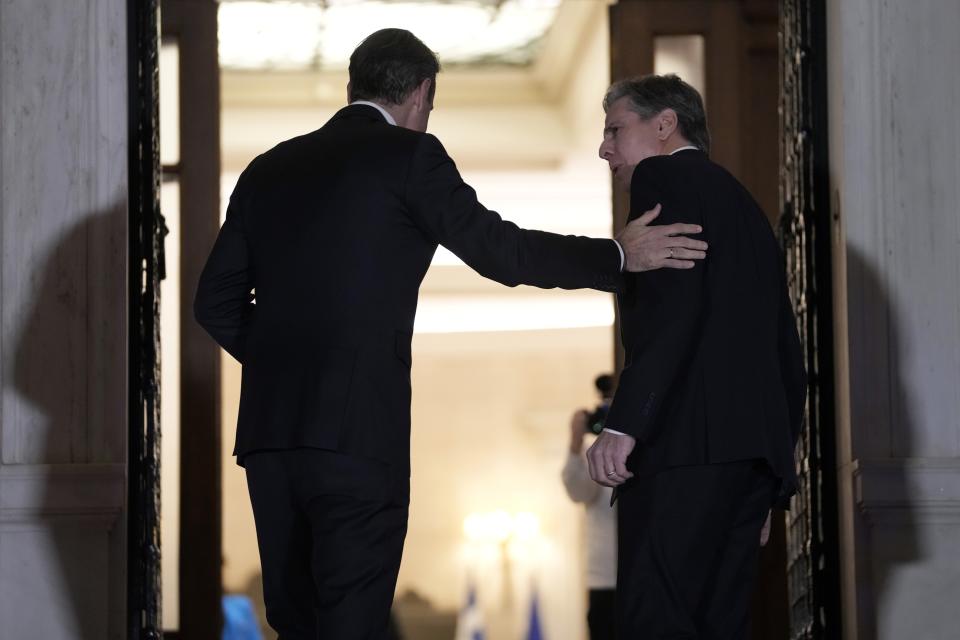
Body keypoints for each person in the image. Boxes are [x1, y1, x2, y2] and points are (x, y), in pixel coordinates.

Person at [194, 30, 708, 639]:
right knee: (351, 621)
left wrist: (286, 365)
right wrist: (616, 256)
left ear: (352, 87)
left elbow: (215, 303)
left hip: (270, 439)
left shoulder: (268, 168)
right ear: (421, 93)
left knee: (294, 622)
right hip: (358, 433)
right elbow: (503, 253)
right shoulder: (410, 156)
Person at [585, 74, 807, 639]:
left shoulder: (664, 175)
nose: (604, 147)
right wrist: (772, 479)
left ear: (664, 126)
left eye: (615, 129)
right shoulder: (747, 208)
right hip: (749, 462)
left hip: (684, 449)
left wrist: (625, 422)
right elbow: (786, 349)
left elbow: (671, 309)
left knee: (656, 624)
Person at [561, 375, 617, 640]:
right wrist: (575, 442)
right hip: (604, 575)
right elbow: (578, 492)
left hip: (648, 568)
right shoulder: (592, 450)